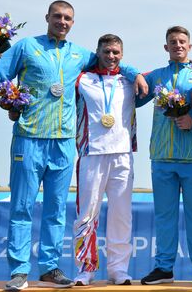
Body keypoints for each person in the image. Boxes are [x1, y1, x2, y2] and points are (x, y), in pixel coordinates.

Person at [0, 0, 147, 291]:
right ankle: (19, 271)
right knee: (22, 206)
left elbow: (111, 60)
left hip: (65, 141)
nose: (62, 21)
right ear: (47, 17)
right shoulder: (27, 47)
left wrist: (136, 73)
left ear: (73, 22)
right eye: (58, 16)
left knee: (56, 209)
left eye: (68, 18)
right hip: (29, 136)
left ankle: (50, 268)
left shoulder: (79, 54)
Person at [138, 26, 192, 285]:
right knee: (164, 215)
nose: (178, 45)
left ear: (190, 46)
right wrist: (131, 73)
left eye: (182, 41)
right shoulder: (156, 76)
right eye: (173, 42)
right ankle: (164, 267)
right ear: (166, 47)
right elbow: (132, 96)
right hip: (161, 157)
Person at [72, 34, 136, 286]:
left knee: (121, 214)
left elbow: (148, 83)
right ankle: (85, 268)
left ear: (122, 54)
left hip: (122, 154)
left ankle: (118, 269)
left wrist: (136, 73)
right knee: (87, 213)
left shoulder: (130, 80)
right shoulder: (82, 79)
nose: (111, 56)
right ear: (97, 52)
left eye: (116, 52)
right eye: (107, 51)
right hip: (91, 153)